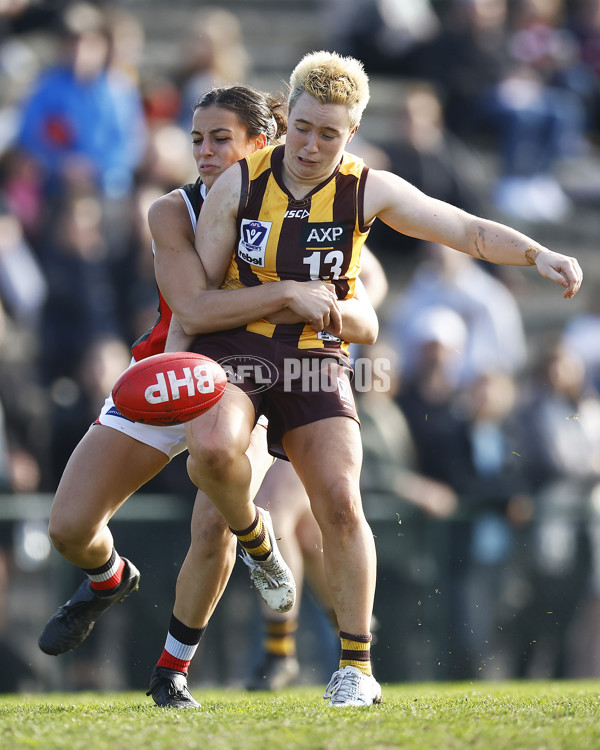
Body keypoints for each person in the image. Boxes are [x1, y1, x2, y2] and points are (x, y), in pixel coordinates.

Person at [171, 50, 582, 708]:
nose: (310, 145)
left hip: (315, 361)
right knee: (223, 489)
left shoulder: (368, 188)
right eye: (301, 127)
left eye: (328, 134)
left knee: (339, 500)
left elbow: (469, 232)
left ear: (352, 134)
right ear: (288, 116)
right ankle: (251, 609)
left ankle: (355, 667)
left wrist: (538, 253)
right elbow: (199, 300)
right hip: (240, 356)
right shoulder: (240, 183)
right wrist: (178, 371)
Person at [37, 84, 378, 695]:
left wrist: (352, 316)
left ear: (260, 144)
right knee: (66, 528)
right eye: (197, 138)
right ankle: (111, 576)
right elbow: (192, 307)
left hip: (248, 381)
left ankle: (172, 673)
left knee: (210, 522)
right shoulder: (173, 210)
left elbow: (361, 294)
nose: (204, 151)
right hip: (167, 374)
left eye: (221, 139)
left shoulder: (307, 203)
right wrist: (283, 295)